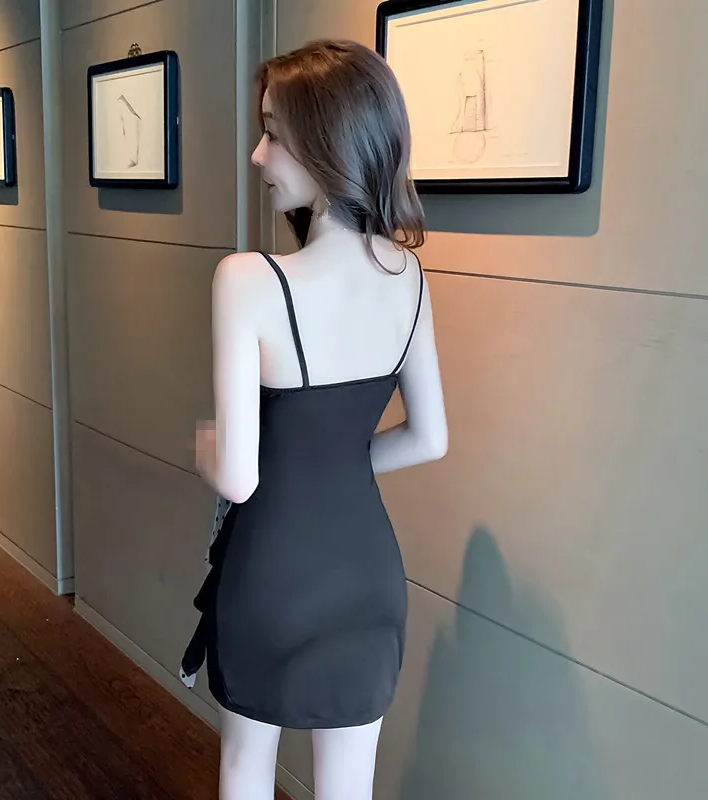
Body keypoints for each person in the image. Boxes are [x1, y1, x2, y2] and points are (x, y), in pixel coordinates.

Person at [182, 39, 448, 800]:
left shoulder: (246, 278)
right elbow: (429, 439)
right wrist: (334, 463)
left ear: (327, 142)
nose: (258, 155)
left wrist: (206, 447)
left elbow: (239, 477)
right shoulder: (408, 275)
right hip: (368, 577)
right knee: (347, 787)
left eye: (272, 133)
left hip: (275, 574)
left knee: (246, 767)